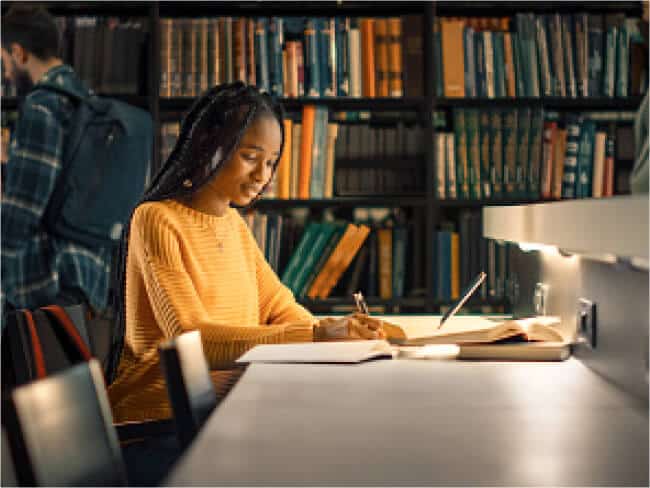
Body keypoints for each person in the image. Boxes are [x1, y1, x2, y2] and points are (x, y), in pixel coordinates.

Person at [107, 82, 386, 424]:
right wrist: (316, 334)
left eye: (270, 163)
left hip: (226, 408)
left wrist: (340, 332)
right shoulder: (156, 219)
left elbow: (280, 309)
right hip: (160, 417)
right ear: (207, 144)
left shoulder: (234, 225)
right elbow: (191, 341)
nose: (262, 176)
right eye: (250, 157)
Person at [1, 6, 113, 317]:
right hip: (89, 277)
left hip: (45, 280)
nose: (7, 75)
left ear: (19, 52)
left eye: (4, 62)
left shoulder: (42, 106)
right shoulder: (87, 102)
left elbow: (21, 212)